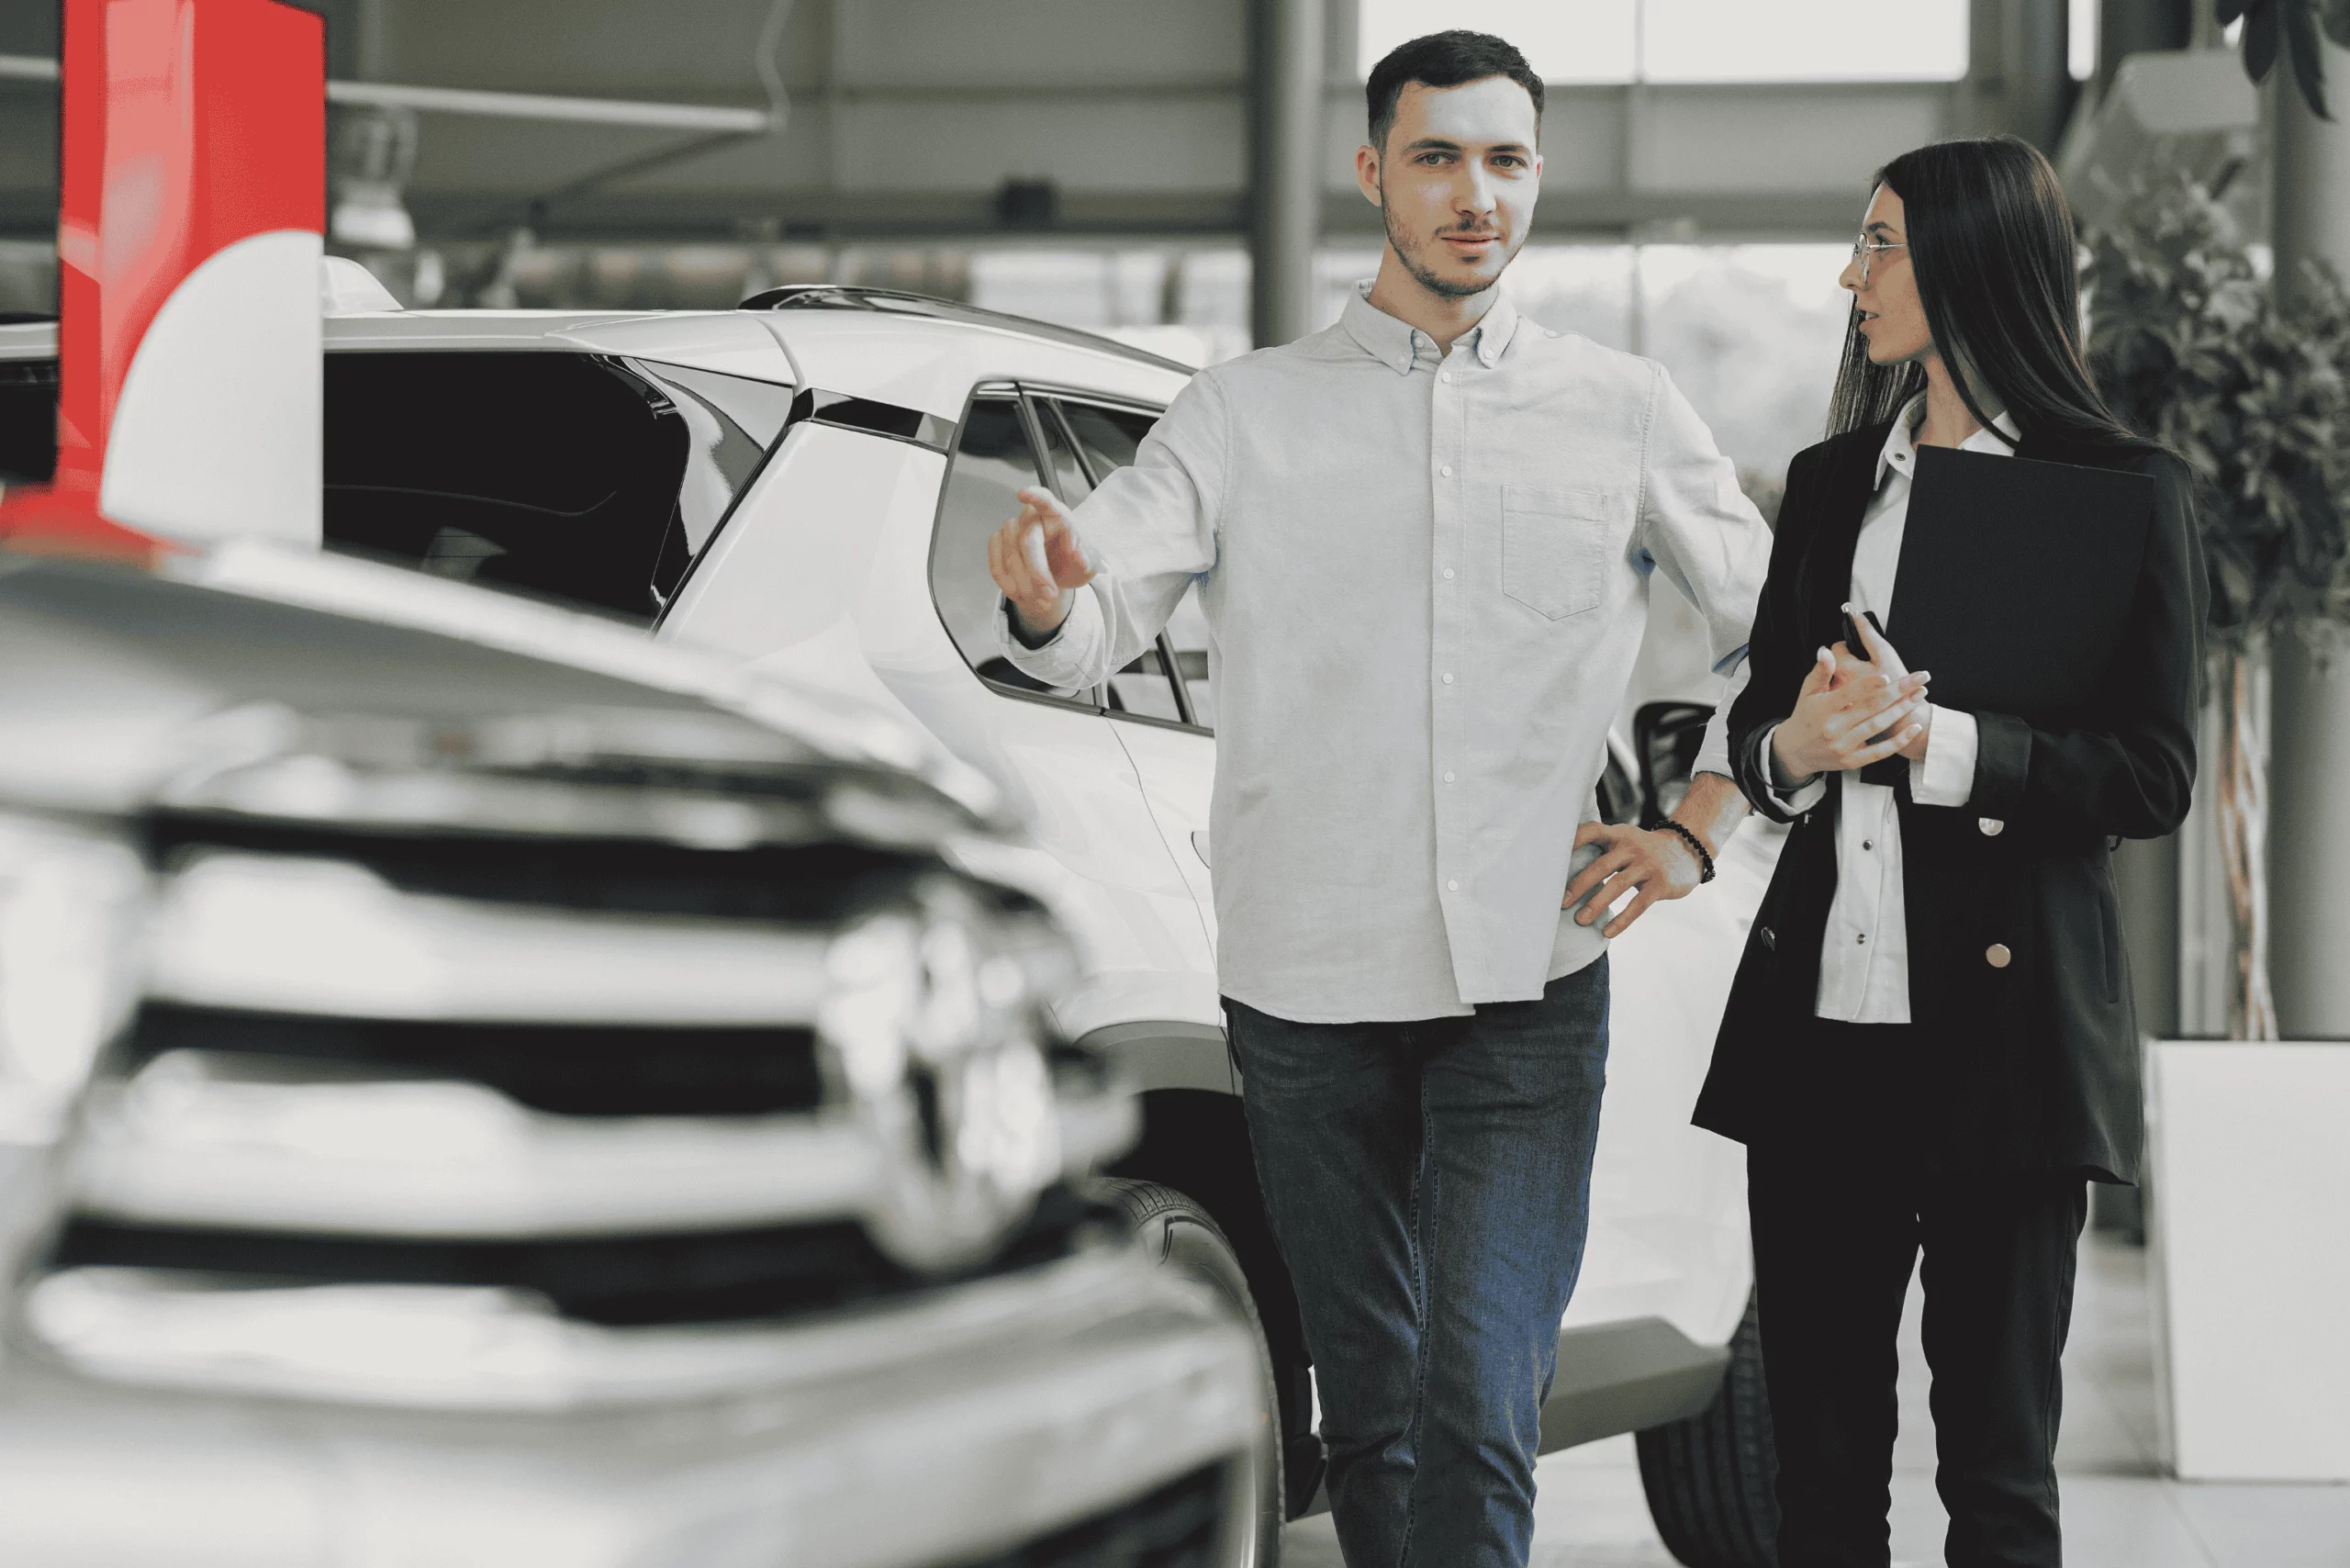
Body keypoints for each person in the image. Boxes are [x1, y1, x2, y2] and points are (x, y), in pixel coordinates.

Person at [985, 30, 1771, 1568]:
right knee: (1371, 1415)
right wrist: (1041, 599)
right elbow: (1098, 612)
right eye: (1438, 158)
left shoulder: (1622, 407)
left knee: (1480, 1399)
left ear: (1536, 176)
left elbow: (1779, 631)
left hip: (1529, 980)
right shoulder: (1241, 413)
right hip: (1306, 987)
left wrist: (1697, 827)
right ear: (1372, 174)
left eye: (1506, 160)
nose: (1476, 195)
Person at [1693, 135, 2206, 1568]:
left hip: (2010, 1041)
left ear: (1975, 261)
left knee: (1997, 1480)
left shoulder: (2123, 489)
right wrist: (1796, 748)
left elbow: (2154, 773)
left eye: (1880, 245)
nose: (1850, 276)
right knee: (1818, 1482)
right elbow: (1762, 732)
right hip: (1821, 1039)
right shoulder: (1828, 483)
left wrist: (1944, 741)